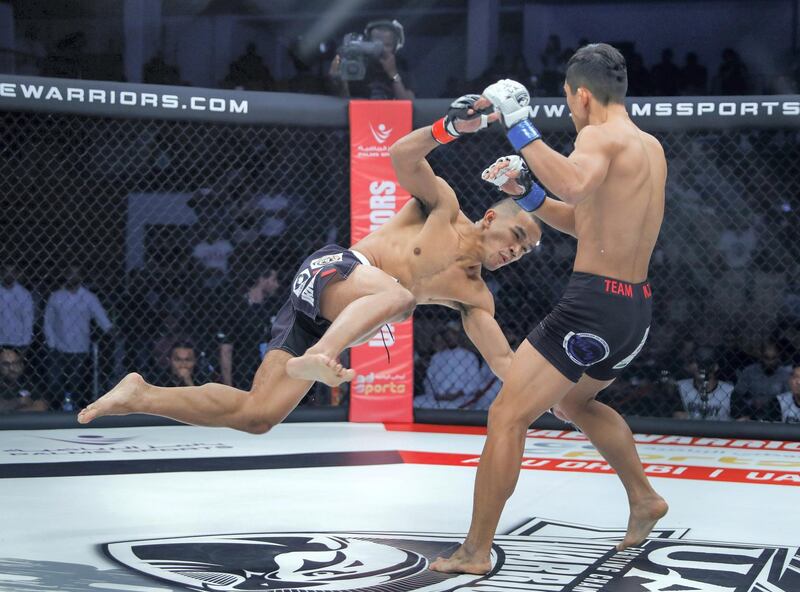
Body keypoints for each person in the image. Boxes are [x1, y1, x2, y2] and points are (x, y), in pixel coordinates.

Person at [78, 95, 541, 439]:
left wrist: (556, 396)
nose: (514, 252)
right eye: (517, 237)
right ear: (493, 217)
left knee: (259, 415)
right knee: (400, 301)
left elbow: (503, 361)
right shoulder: (443, 207)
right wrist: (449, 128)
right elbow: (402, 155)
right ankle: (321, 357)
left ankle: (139, 395)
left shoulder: (476, 295)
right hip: (333, 270)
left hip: (323, 318)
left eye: (524, 253)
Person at [430, 44, 668, 575]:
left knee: (506, 415)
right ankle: (644, 499)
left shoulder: (598, 137)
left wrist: (518, 124)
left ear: (582, 95)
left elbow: (575, 183)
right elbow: (588, 222)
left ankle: (475, 551)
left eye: (567, 101)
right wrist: (525, 192)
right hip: (633, 311)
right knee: (575, 404)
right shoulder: (648, 147)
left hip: (592, 305)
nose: (569, 111)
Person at [44, 265, 114, 408]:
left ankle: (74, 411)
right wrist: (51, 344)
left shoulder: (89, 298)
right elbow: (48, 321)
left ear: (81, 277)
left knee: (77, 383)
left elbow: (101, 318)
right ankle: (55, 409)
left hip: (80, 348)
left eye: (76, 274)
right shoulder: (56, 296)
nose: (73, 277)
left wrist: (111, 330)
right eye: (70, 273)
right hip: (58, 347)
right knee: (55, 383)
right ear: (65, 275)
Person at [329, 19, 414, 100]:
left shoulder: (401, 72)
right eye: (376, 44)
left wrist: (393, 74)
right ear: (367, 43)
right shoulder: (356, 69)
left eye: (387, 45)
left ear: (395, 47)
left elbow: (410, 105)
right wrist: (339, 82)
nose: (382, 49)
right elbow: (344, 103)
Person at [0, 347, 47, 413]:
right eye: (6, 364)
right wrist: (19, 401)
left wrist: (10, 410)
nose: (12, 368)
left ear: (21, 365)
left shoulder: (29, 384)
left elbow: (41, 407)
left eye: (15, 363)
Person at [0, 263, 34, 350]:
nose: (9, 274)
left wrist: (25, 343)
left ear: (16, 274)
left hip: (17, 342)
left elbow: (28, 320)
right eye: (7, 271)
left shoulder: (24, 294)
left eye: (12, 272)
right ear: (2, 272)